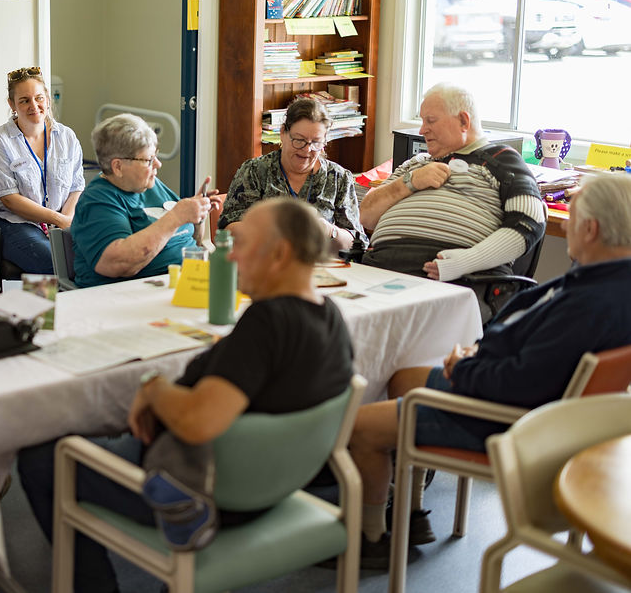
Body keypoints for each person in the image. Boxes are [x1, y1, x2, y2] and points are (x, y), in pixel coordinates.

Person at [18, 198, 354, 592]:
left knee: (43, 459)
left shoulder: (269, 323)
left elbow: (198, 422)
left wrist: (155, 389)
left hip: (212, 493)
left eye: (241, 244)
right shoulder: (328, 315)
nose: (228, 257)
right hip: (279, 485)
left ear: (279, 254)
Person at [348, 173, 631, 568]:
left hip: (499, 420)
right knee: (402, 377)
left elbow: (521, 383)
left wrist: (465, 368)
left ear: (592, 227)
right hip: (517, 393)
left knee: (360, 424)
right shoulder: (610, 283)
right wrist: (477, 354)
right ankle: (410, 511)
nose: (564, 224)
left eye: (572, 216)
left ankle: (371, 539)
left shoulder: (589, 303)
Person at [359, 82, 545, 283]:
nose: (422, 130)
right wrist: (409, 182)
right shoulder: (416, 163)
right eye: (422, 121)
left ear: (464, 121)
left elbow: (529, 223)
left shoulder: (502, 159)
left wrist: (464, 262)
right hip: (379, 266)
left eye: (430, 121)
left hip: (451, 276)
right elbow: (366, 216)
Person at [70, 113, 221, 288]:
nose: (158, 164)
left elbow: (189, 240)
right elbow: (119, 264)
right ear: (117, 167)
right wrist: (177, 217)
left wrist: (196, 216)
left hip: (184, 282)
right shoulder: (97, 200)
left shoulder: (150, 184)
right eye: (148, 160)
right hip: (127, 296)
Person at [219, 97, 366, 253]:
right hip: (265, 265)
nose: (307, 149)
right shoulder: (255, 171)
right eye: (299, 140)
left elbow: (357, 243)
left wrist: (330, 231)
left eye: (316, 142)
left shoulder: (338, 178)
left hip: (322, 268)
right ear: (283, 133)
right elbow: (228, 231)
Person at [0, 66, 85, 274]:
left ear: (47, 99)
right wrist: (57, 220)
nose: (34, 105)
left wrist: (65, 221)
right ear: (12, 104)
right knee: (57, 265)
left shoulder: (66, 136)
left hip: (61, 220)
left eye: (39, 98)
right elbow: (9, 198)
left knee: (94, 256)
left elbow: (76, 186)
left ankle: (72, 305)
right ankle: (43, 306)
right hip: (14, 222)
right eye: (24, 100)